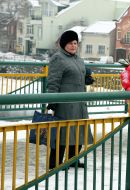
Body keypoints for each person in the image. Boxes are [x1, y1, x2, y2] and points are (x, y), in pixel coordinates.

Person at [47, 30, 94, 169]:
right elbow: (53, 81)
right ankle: (55, 163)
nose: (73, 46)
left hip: (79, 102)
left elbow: (77, 75)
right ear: (63, 44)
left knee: (78, 131)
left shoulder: (79, 59)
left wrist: (86, 79)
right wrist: (53, 101)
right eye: (70, 43)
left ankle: (73, 160)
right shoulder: (58, 58)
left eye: (75, 43)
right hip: (65, 102)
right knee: (62, 132)